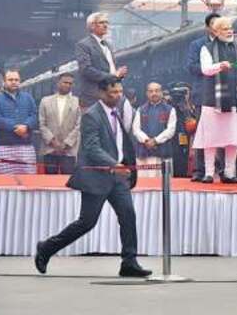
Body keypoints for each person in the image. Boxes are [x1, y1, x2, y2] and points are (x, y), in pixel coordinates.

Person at [35, 77, 151, 278]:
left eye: (119, 92)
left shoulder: (119, 111)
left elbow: (121, 141)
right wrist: (115, 165)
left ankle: (129, 262)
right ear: (101, 93)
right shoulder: (91, 115)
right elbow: (92, 147)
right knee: (86, 223)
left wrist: (122, 166)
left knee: (128, 215)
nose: (117, 96)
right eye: (112, 93)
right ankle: (46, 248)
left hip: (117, 179)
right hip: (96, 176)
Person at [192, 17, 237, 184]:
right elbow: (205, 69)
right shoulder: (207, 48)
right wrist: (220, 66)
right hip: (213, 101)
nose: (229, 31)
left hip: (236, 99)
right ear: (216, 32)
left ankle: (229, 173)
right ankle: (209, 173)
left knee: (233, 139)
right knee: (210, 139)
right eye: (225, 28)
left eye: (230, 28)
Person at [186, 13, 220, 182]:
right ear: (207, 27)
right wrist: (212, 68)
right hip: (203, 94)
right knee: (203, 133)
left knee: (222, 133)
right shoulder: (197, 45)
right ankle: (200, 170)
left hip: (223, 94)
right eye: (214, 24)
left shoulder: (227, 45)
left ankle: (219, 169)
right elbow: (191, 66)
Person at [0, 70, 38, 174]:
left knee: (29, 181)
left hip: (26, 147)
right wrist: (15, 127)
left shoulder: (28, 98)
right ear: (4, 82)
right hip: (4, 148)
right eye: (10, 80)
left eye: (16, 80)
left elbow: (34, 115)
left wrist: (26, 126)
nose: (14, 82)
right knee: (4, 182)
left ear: (20, 81)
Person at [75, 12, 128, 109]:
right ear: (92, 26)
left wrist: (118, 76)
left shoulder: (108, 45)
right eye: (101, 22)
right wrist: (113, 76)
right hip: (93, 97)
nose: (105, 25)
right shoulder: (83, 45)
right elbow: (86, 69)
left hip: (110, 96)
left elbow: (109, 70)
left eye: (107, 22)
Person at [38, 73, 81, 174]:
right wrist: (53, 142)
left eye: (70, 83)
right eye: (65, 82)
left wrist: (66, 144)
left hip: (69, 151)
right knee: (49, 182)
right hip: (50, 149)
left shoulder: (77, 102)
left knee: (67, 182)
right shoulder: (45, 101)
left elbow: (78, 125)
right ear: (58, 83)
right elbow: (42, 124)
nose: (68, 85)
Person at [131, 82, 176, 178]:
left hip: (163, 153)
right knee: (143, 183)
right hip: (144, 153)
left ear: (161, 93)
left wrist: (156, 140)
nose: (154, 93)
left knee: (164, 185)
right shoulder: (141, 110)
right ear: (147, 93)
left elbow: (170, 130)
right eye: (151, 91)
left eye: (156, 91)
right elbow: (136, 129)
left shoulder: (170, 110)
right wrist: (146, 140)